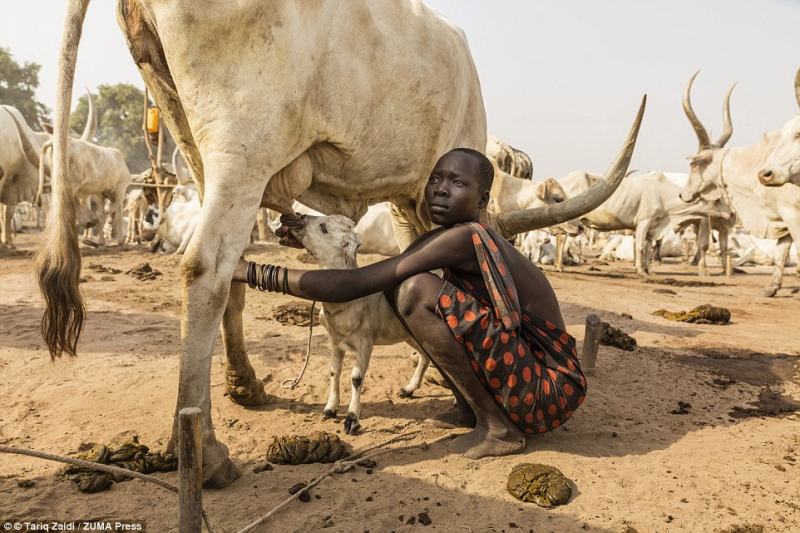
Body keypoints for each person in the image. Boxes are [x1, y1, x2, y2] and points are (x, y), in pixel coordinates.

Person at [232, 148, 586, 458]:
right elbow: (377, 277)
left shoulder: (465, 237)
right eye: (435, 179)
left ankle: (499, 429)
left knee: (416, 291)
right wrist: (319, 244)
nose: (440, 189)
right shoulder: (449, 237)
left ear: (482, 201)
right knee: (399, 285)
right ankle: (469, 409)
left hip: (549, 391)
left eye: (458, 183)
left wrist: (251, 272)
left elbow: (353, 284)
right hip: (527, 376)